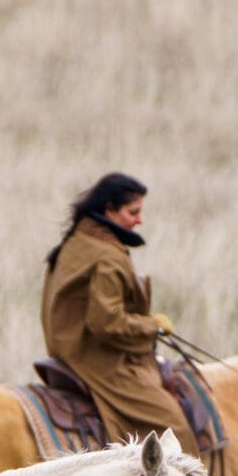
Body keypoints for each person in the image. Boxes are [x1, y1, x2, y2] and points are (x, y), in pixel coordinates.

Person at [40, 173, 199, 456]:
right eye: (133, 212)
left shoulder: (79, 239)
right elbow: (107, 323)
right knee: (175, 429)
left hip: (67, 347)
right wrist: (152, 325)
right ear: (109, 211)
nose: (139, 220)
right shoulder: (107, 256)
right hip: (93, 357)